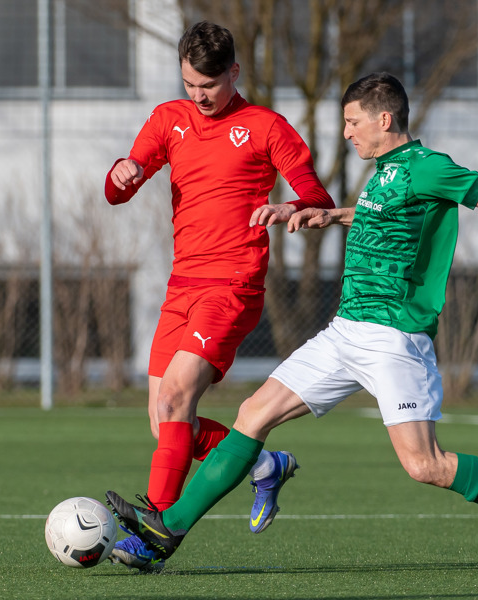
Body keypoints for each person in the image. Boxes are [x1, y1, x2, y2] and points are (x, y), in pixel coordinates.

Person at [106, 72, 478, 576]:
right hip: (346, 331)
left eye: (352, 121)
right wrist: (327, 216)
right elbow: (381, 215)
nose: (346, 133)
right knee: (252, 414)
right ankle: (166, 530)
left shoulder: (429, 167)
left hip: (394, 339)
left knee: (425, 465)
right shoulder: (384, 171)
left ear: (384, 119)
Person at [102, 21, 334, 571]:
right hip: (181, 284)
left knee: (178, 394)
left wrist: (292, 206)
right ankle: (262, 465)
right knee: (165, 418)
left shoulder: (264, 126)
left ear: (233, 72)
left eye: (208, 85)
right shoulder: (168, 119)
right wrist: (123, 173)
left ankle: (153, 530)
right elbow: (117, 190)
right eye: (189, 84)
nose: (198, 96)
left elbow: (315, 194)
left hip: (232, 285)